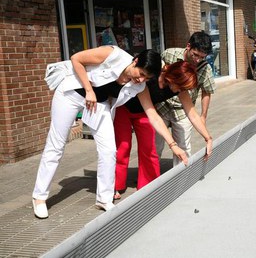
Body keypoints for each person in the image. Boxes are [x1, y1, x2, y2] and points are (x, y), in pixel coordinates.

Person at [32, 46, 188, 219]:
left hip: (99, 104)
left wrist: (173, 145)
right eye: (141, 73)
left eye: (146, 78)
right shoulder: (113, 54)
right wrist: (89, 90)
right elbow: (76, 58)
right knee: (56, 145)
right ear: (135, 61)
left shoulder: (140, 86)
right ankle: (39, 197)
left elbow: (152, 115)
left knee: (109, 150)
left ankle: (104, 199)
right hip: (71, 95)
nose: (141, 79)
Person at [113, 61, 213, 199]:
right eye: (181, 87)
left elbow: (192, 114)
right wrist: (173, 145)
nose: (181, 91)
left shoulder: (179, 89)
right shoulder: (152, 75)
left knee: (149, 148)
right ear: (173, 79)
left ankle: (148, 185)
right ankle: (115, 185)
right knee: (123, 147)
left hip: (145, 111)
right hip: (123, 106)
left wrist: (208, 138)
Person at [155, 31, 216, 166]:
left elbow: (207, 92)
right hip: (161, 105)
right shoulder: (169, 54)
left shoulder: (204, 69)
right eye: (195, 55)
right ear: (188, 46)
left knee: (183, 147)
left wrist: (203, 117)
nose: (197, 60)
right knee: (155, 146)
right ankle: (151, 178)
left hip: (183, 109)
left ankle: (181, 177)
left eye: (202, 57)